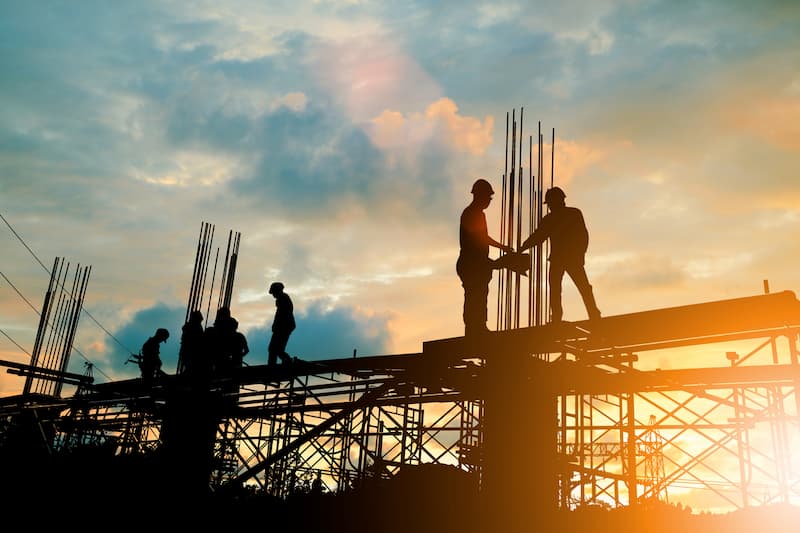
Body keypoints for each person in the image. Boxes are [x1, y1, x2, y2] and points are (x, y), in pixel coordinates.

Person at [518, 186, 601, 323]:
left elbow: (582, 236)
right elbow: (539, 236)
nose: (549, 206)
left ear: (557, 201)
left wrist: (580, 255)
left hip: (567, 258)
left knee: (572, 288)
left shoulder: (568, 215)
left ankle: (589, 314)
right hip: (563, 259)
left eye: (550, 203)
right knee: (563, 288)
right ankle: (587, 314)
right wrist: (523, 247)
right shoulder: (564, 216)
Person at [457, 178, 514, 336]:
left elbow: (482, 238)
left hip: (477, 263)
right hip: (471, 264)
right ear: (479, 196)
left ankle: (479, 327)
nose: (489, 201)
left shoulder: (477, 214)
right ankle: (473, 329)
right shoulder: (472, 214)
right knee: (474, 295)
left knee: (480, 295)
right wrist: (503, 249)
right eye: (488, 197)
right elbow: (480, 239)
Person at [268, 282, 295, 365]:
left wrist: (276, 325)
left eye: (274, 292)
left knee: (273, 349)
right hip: (284, 326)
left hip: (284, 327)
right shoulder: (283, 299)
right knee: (277, 349)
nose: (273, 295)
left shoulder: (283, 299)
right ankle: (287, 361)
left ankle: (274, 366)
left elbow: (281, 315)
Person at [178, 310, 205, 376]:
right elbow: (198, 340)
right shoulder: (195, 327)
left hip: (187, 352)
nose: (201, 321)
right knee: (191, 366)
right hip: (192, 352)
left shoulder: (188, 327)